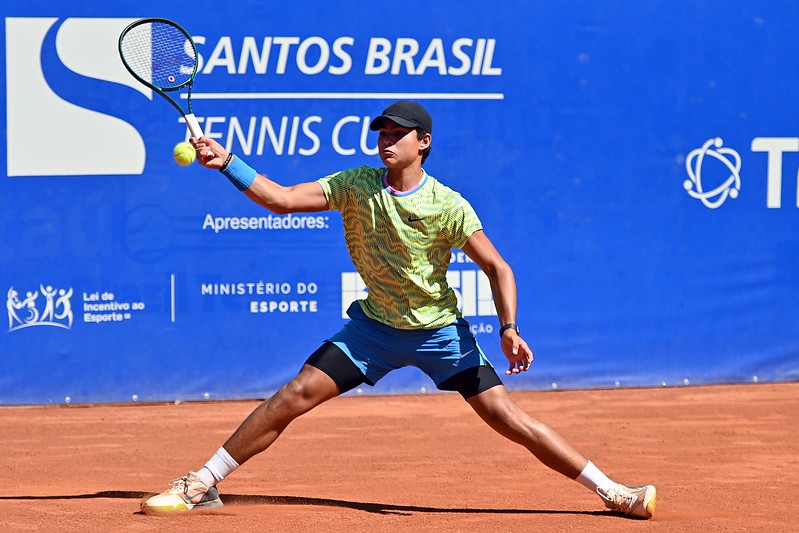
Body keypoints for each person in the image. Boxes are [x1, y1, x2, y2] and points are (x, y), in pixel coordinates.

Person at [142, 101, 656, 519]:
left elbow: (499, 268)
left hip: (439, 333)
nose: (387, 139)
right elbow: (280, 198)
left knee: (508, 419)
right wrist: (229, 163)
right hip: (374, 330)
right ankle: (202, 483)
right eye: (381, 132)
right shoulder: (356, 185)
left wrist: (509, 328)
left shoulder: (449, 205)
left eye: (399, 133)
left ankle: (613, 491)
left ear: (423, 143)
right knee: (295, 394)